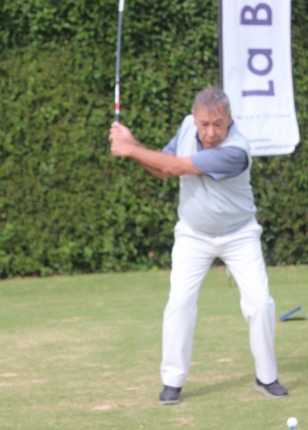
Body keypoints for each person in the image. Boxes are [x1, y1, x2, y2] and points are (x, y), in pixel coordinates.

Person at [108, 86, 288, 405]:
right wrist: (131, 144)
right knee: (179, 303)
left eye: (217, 124)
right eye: (204, 124)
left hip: (239, 235)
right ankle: (172, 381)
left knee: (260, 303)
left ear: (229, 119)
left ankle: (266, 377)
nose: (210, 132)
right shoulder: (186, 127)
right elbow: (162, 169)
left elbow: (176, 167)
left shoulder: (236, 150)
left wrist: (130, 148)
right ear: (194, 119)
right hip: (193, 234)